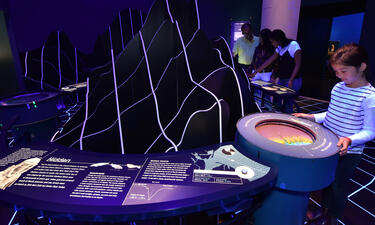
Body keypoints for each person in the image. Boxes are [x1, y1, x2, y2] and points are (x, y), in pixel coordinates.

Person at [293, 43, 375, 225]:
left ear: (362, 67)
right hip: (328, 145)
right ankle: (322, 211)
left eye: (343, 71)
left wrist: (349, 139)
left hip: (349, 152)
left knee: (338, 185)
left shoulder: (370, 97)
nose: (338, 75)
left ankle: (332, 218)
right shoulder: (338, 87)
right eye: (336, 71)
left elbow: (370, 131)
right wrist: (312, 116)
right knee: (325, 181)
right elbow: (331, 113)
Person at [251, 29, 302, 113]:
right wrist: (256, 72)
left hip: (293, 79)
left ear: (279, 40)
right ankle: (277, 117)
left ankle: (287, 120)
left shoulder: (293, 45)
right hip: (283, 78)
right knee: (277, 99)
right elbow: (269, 61)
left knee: (288, 102)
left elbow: (298, 64)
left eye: (273, 42)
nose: (272, 44)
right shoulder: (280, 47)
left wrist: (291, 80)